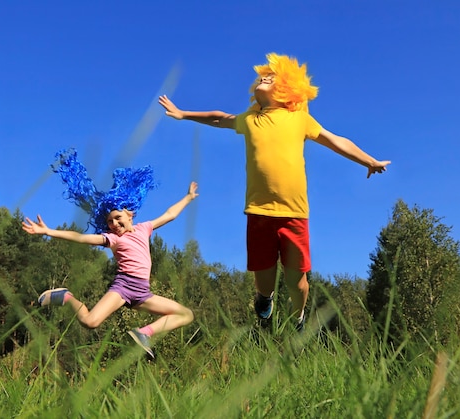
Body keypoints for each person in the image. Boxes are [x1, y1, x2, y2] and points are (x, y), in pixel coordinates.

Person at [158, 53, 390, 331]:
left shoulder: (299, 119)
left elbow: (336, 140)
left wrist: (369, 161)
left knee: (296, 280)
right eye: (262, 77)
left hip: (294, 213)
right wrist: (183, 114)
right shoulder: (251, 120)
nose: (264, 79)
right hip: (259, 211)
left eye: (272, 78)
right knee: (264, 276)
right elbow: (219, 118)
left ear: (288, 90)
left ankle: (299, 314)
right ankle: (264, 299)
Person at [22, 148, 198, 359]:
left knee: (185, 314)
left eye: (117, 218)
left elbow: (170, 214)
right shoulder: (113, 239)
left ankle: (143, 334)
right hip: (123, 287)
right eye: (109, 221)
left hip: (142, 292)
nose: (114, 224)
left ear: (130, 214)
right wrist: (49, 231)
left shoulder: (145, 228)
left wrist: (187, 198)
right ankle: (66, 297)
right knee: (90, 322)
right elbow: (81, 238)